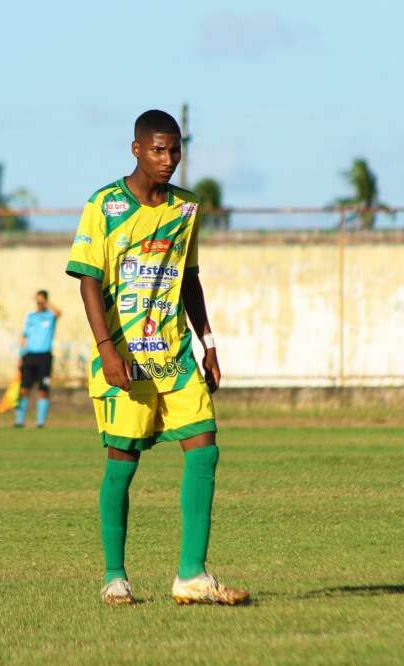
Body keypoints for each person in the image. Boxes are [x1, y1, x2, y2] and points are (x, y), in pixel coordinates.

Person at [65, 109, 248, 606]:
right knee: (121, 462)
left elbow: (189, 278)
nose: (168, 160)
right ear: (136, 149)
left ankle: (191, 575)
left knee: (205, 448)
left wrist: (208, 343)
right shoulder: (103, 205)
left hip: (176, 355)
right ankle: (114, 576)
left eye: (175, 150)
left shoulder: (187, 209)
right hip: (125, 360)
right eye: (158, 150)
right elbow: (88, 279)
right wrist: (106, 351)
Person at [15, 290, 61, 428]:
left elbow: (59, 312)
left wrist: (47, 303)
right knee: (24, 388)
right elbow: (24, 337)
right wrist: (20, 356)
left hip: (44, 356)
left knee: (43, 389)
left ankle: (40, 422)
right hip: (30, 355)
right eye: (37, 301)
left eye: (41, 301)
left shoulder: (50, 316)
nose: (39, 304)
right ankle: (19, 421)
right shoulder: (31, 317)